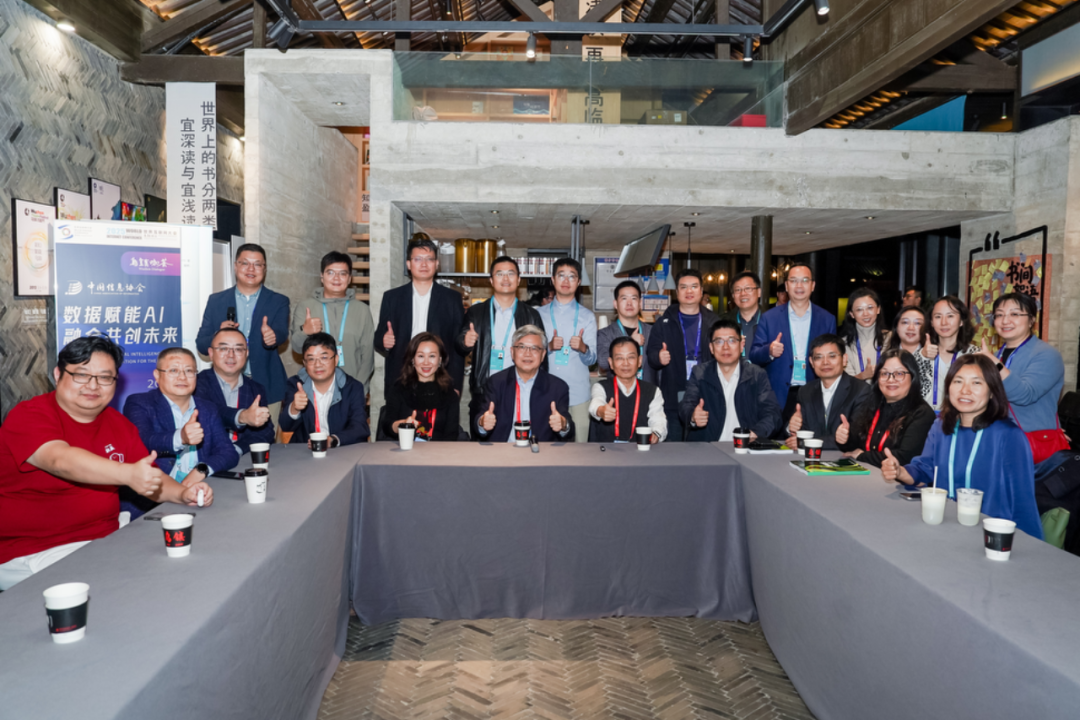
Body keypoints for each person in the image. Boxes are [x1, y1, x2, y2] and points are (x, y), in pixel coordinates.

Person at [0, 337, 212, 590]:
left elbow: (150, 477)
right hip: (34, 549)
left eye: (104, 377)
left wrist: (183, 493)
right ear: (58, 374)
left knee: (189, 567)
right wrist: (127, 474)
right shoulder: (30, 414)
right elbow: (59, 460)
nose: (93, 385)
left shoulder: (118, 423)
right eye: (81, 375)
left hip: (106, 538)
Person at [882, 355, 1043, 539]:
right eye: (958, 381)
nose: (965, 390)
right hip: (943, 528)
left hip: (989, 535)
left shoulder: (1008, 435)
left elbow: (1022, 501)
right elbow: (925, 468)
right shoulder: (941, 426)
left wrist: (1031, 546)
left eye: (976, 383)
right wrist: (900, 472)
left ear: (992, 391)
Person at [123, 348, 237, 513]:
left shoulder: (207, 408)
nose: (182, 377)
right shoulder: (139, 403)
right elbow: (144, 441)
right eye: (174, 370)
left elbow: (227, 452)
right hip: (152, 500)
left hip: (199, 493)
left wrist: (201, 470)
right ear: (157, 375)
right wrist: (180, 437)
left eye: (189, 371)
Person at [196, 243, 289, 421]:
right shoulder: (216, 301)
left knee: (265, 435)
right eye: (245, 263)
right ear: (235, 266)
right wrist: (218, 334)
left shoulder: (278, 301)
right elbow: (201, 344)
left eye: (257, 264)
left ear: (265, 269)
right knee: (221, 433)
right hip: (223, 385)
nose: (251, 269)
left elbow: (282, 333)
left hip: (266, 383)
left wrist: (273, 337)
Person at [455, 256, 543, 436]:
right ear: (491, 280)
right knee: (483, 445)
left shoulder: (531, 314)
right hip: (485, 391)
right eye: (500, 274)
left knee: (520, 442)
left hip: (522, 391)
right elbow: (459, 345)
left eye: (510, 274)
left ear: (518, 279)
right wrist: (465, 342)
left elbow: (542, 355)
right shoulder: (476, 312)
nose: (505, 278)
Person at [974, 292, 1066, 461]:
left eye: (1015, 314)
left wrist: (993, 363)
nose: (1005, 320)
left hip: (1032, 445)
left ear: (1031, 320)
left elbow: (1024, 395)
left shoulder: (1047, 355)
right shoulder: (997, 355)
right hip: (998, 439)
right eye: (999, 315)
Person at [374, 238, 465, 398]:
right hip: (401, 376)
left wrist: (456, 385)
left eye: (429, 259)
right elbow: (378, 339)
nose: (424, 264)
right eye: (418, 259)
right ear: (409, 264)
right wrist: (384, 342)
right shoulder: (392, 297)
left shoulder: (452, 299)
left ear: (436, 264)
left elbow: (457, 347)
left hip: (439, 377)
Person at [749, 264, 837, 420]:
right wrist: (769, 351)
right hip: (778, 395)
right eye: (794, 280)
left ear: (813, 285)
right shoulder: (769, 317)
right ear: (787, 286)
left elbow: (833, 358)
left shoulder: (827, 319)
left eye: (805, 280)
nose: (799, 285)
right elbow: (754, 355)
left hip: (814, 393)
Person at [645, 268, 720, 441]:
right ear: (677, 292)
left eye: (694, 286)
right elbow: (651, 355)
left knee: (703, 448)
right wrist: (658, 357)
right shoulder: (664, 322)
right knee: (674, 449)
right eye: (684, 287)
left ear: (701, 291)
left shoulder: (714, 322)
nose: (689, 291)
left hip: (705, 395)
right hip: (672, 396)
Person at [679, 320, 782, 443]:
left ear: (741, 345)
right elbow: (686, 405)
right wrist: (693, 416)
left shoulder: (757, 375)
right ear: (711, 348)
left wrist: (755, 433)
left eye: (732, 340)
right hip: (708, 447)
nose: (725, 347)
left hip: (745, 446)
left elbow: (773, 414)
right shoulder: (699, 373)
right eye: (719, 341)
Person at [290, 250, 375, 387]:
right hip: (314, 386)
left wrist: (359, 389)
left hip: (351, 386)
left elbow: (368, 357)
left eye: (342, 273)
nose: (336, 278)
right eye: (330, 273)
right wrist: (305, 331)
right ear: (322, 276)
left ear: (349, 278)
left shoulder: (362, 310)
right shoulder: (306, 307)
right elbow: (297, 348)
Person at [837, 349, 935, 468]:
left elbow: (905, 457)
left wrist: (863, 456)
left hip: (898, 479)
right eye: (884, 374)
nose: (891, 380)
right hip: (867, 474)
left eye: (899, 374)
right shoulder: (871, 404)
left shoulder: (922, 413)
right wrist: (844, 439)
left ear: (913, 377)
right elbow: (853, 448)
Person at [476, 325, 573, 443]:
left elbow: (569, 428)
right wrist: (482, 423)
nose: (528, 353)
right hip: (504, 449)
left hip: (541, 450)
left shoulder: (558, 387)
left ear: (543, 355)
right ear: (512, 352)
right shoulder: (496, 382)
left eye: (534, 348)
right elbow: (481, 418)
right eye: (521, 347)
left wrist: (563, 424)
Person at [539, 258, 597, 443]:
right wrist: (548, 347)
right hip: (545, 392)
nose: (566, 281)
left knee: (579, 449)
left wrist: (583, 348)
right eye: (561, 275)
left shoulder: (587, 317)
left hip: (578, 394)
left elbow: (592, 360)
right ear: (553, 279)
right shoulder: (538, 314)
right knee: (546, 448)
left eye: (572, 276)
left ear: (578, 282)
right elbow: (529, 354)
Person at [194, 328, 275, 460]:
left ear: (246, 353)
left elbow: (265, 432)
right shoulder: (196, 384)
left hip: (243, 459)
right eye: (223, 348)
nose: (231, 355)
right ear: (211, 353)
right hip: (204, 460)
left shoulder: (256, 389)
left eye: (238, 349)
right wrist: (242, 416)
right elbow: (208, 413)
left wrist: (235, 450)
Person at [280, 332, 370, 448]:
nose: (317, 364)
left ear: (336, 359)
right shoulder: (295, 385)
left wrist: (333, 440)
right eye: (311, 359)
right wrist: (294, 408)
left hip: (341, 450)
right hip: (305, 451)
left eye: (324, 357)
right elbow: (285, 426)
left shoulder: (353, 387)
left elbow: (360, 428)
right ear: (304, 364)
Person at [785, 334, 872, 450]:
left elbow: (856, 436)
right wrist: (791, 427)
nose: (825, 362)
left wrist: (807, 442)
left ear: (844, 359)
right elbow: (799, 431)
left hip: (843, 457)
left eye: (832, 356)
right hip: (809, 457)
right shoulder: (806, 391)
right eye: (819, 357)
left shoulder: (861, 390)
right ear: (811, 362)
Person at [381, 333, 461, 442]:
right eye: (420, 356)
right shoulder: (398, 389)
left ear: (440, 360)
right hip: (404, 448)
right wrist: (402, 425)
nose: (426, 362)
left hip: (439, 451)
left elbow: (451, 436)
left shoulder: (450, 394)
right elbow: (387, 426)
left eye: (432, 356)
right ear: (412, 359)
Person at [588, 336, 667, 443]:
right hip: (606, 450)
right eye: (619, 358)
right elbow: (595, 404)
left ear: (639, 361)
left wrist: (656, 433)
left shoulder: (653, 391)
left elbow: (658, 420)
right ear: (611, 363)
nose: (626, 363)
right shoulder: (601, 387)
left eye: (631, 357)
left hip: (640, 449)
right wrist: (601, 410)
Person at [917, 295, 977, 412]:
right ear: (932, 322)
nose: (944, 322)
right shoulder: (921, 354)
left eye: (950, 316)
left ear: (961, 321)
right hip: (925, 417)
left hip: (962, 416)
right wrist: (922, 356)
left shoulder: (974, 354)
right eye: (938, 316)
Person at [597, 280, 654, 382]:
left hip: (648, 389)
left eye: (633, 298)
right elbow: (603, 362)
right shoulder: (605, 334)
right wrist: (631, 342)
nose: (629, 303)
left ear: (640, 303)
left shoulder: (652, 331)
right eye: (624, 298)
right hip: (617, 390)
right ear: (615, 304)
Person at [841, 288, 888, 382]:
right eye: (859, 309)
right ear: (852, 314)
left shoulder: (891, 338)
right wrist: (863, 375)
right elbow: (845, 383)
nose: (865, 314)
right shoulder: (843, 344)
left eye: (870, 308)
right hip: (857, 391)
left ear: (878, 309)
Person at [720, 271, 762, 360]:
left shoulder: (772, 320)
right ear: (733, 296)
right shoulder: (722, 322)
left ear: (759, 292)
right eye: (738, 290)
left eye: (748, 288)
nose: (743, 294)